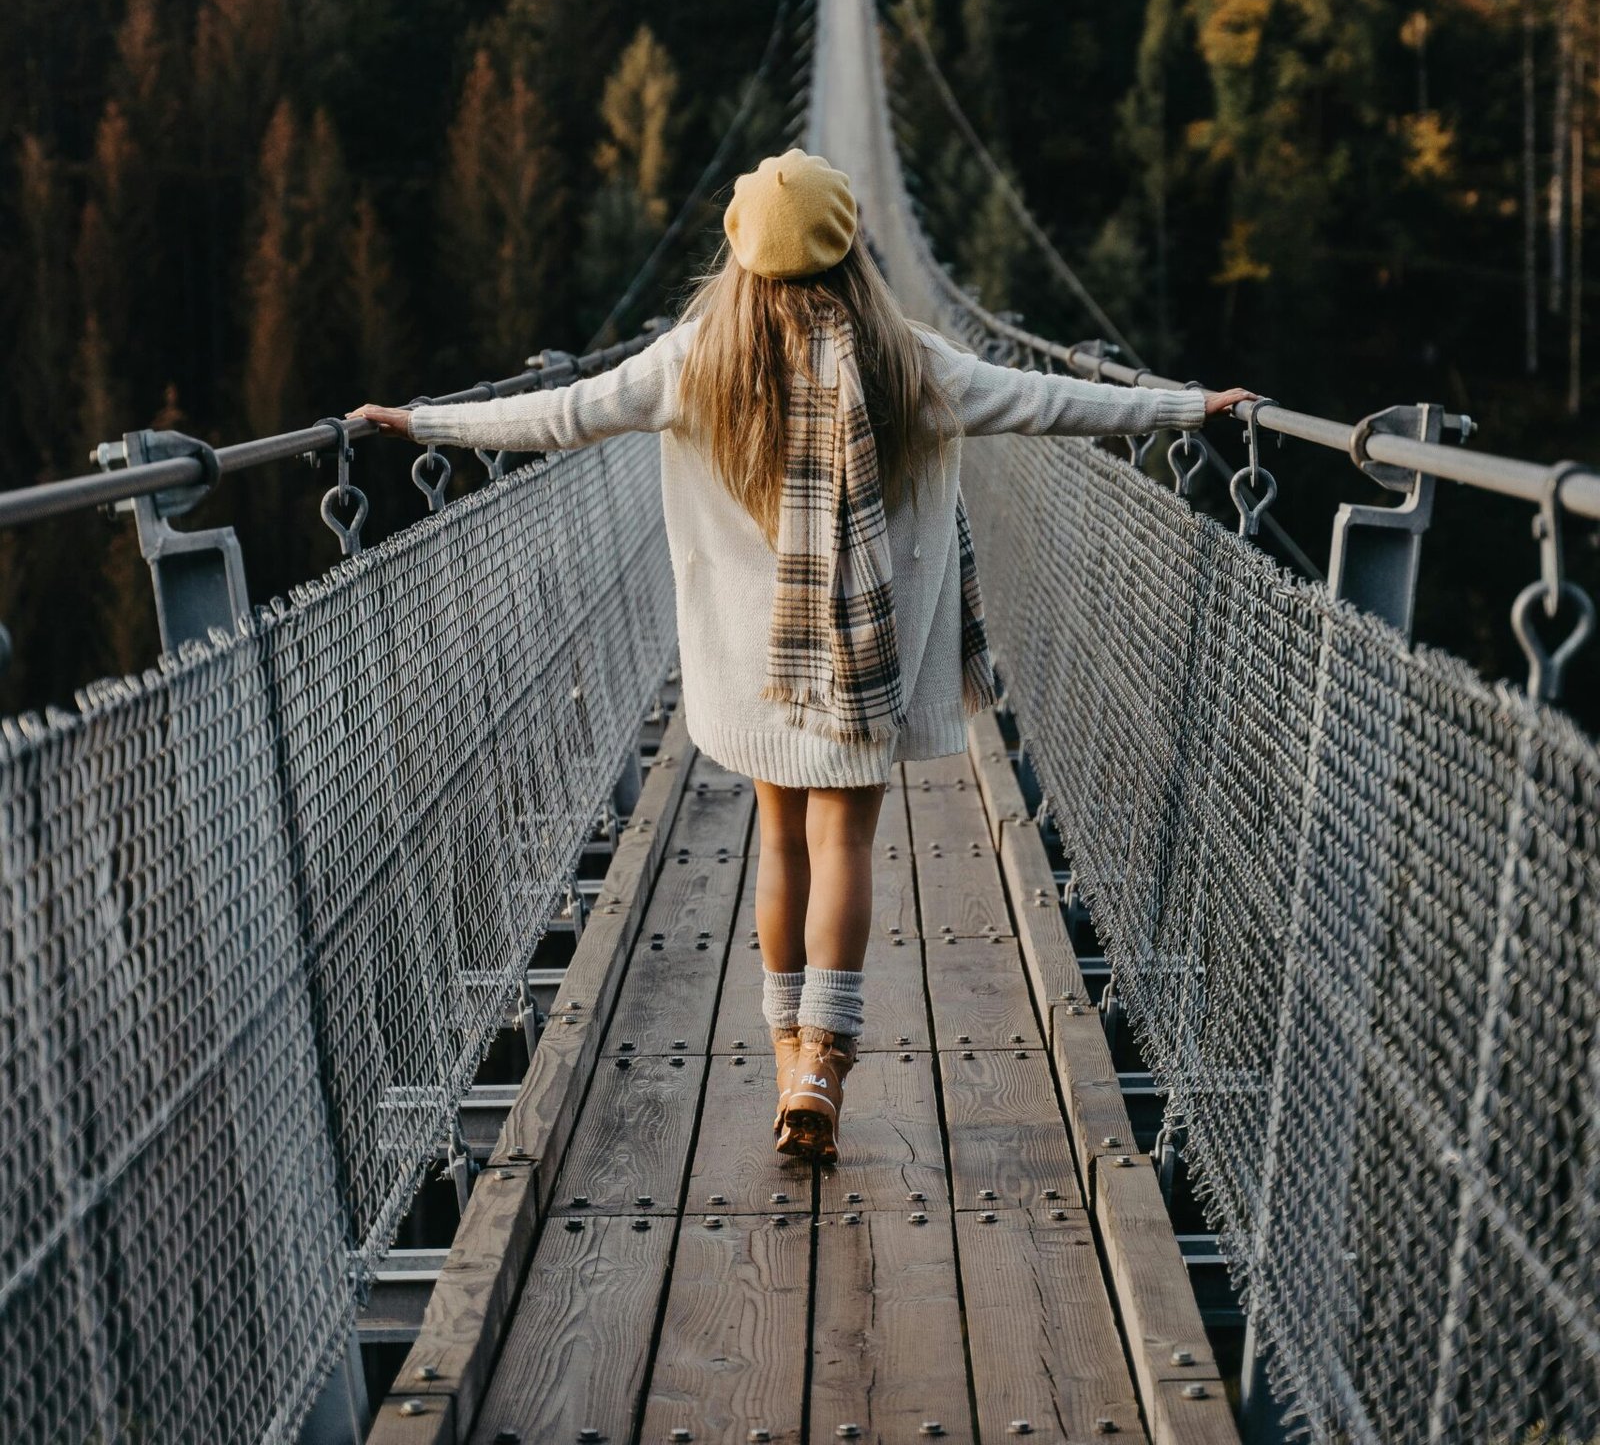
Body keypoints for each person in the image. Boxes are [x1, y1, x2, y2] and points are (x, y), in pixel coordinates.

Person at [352, 148, 1254, 1161]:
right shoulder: (909, 362)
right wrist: (1186, 406)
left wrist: (422, 421)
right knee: (845, 846)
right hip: (864, 659)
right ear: (850, 247)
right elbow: (1047, 403)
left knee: (778, 844)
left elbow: (559, 416)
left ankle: (788, 1061)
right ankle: (825, 1061)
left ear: (739, 252)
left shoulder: (696, 360)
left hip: (754, 665)